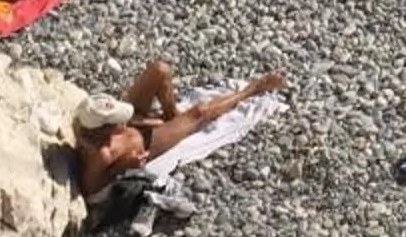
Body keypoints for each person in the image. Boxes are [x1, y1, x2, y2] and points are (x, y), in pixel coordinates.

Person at [73, 63, 288, 199]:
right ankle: (255, 88)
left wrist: (141, 121)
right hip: (147, 145)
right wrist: (123, 167)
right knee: (200, 112)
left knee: (159, 70)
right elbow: (91, 190)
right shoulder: (102, 154)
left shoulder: (89, 123)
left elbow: (121, 123)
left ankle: (171, 112)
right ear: (106, 129)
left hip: (133, 130)